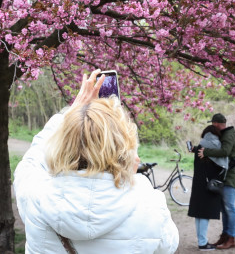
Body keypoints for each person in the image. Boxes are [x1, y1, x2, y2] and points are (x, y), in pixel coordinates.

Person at [13, 69, 179, 254]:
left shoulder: (36, 195)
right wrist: (128, 168)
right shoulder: (148, 202)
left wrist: (72, 113)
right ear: (124, 149)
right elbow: (168, 246)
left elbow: (31, 160)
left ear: (62, 144)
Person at [199, 113, 235, 250]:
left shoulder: (228, 135)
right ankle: (225, 236)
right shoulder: (225, 134)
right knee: (224, 209)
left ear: (216, 124)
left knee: (229, 208)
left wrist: (207, 152)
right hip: (224, 177)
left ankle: (231, 238)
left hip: (230, 177)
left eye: (212, 123)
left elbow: (225, 151)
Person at [188, 125, 228, 251]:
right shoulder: (216, 147)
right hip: (209, 185)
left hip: (198, 183)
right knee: (205, 214)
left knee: (199, 214)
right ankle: (203, 243)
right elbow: (220, 166)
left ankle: (201, 241)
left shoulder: (200, 146)